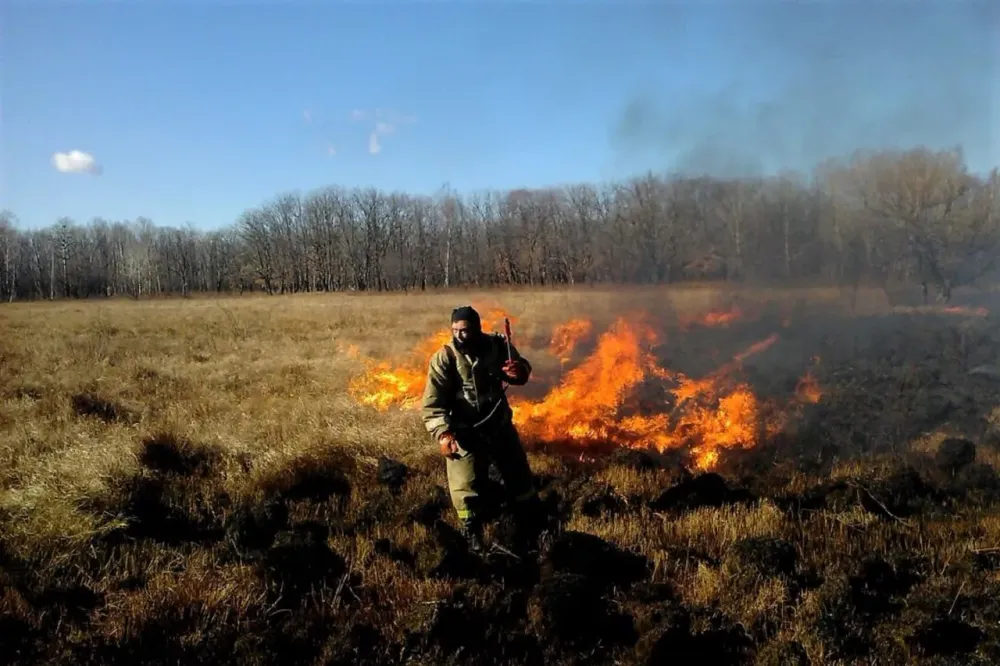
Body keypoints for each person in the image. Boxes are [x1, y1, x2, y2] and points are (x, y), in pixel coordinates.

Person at [421, 305, 539, 552]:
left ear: (477, 329)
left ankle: (530, 521)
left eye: (465, 331)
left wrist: (517, 372)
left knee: (519, 475)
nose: (460, 336)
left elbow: (520, 368)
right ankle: (471, 529)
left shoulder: (496, 346)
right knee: (465, 484)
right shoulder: (445, 358)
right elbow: (432, 405)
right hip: (465, 432)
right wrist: (443, 434)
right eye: (455, 331)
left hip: (499, 425)